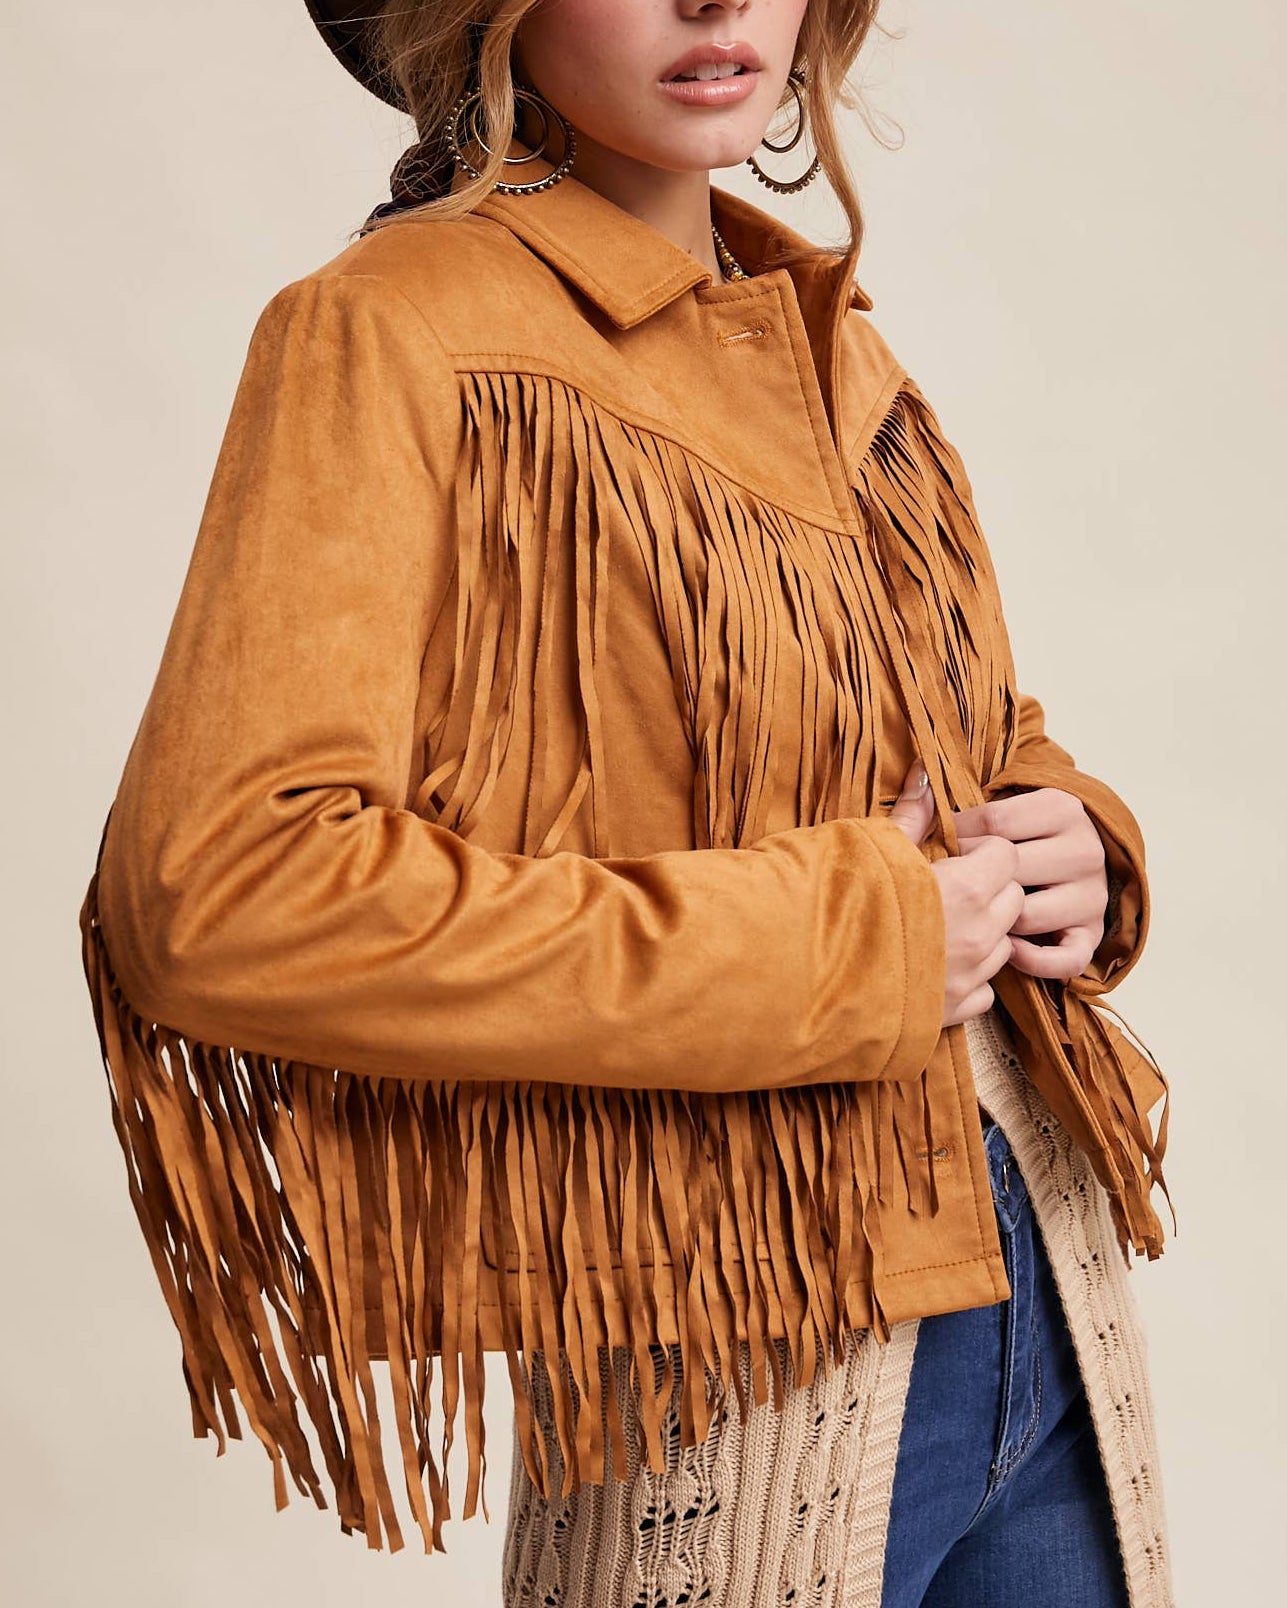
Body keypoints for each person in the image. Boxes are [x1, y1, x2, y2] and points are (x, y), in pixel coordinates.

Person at [78, 3, 1176, 1604]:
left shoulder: (820, 327)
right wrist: (847, 944)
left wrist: (1069, 831)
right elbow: (224, 888)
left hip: (1048, 1276)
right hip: (743, 1341)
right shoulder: (390, 332)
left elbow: (938, 726)